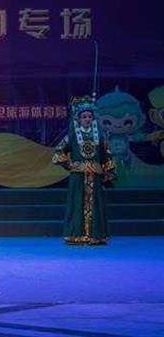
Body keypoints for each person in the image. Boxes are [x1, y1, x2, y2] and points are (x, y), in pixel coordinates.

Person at [52, 95, 116, 245]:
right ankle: (77, 235)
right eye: (84, 117)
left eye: (89, 116)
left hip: (95, 176)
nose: (87, 119)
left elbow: (107, 154)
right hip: (78, 176)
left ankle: (96, 235)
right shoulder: (73, 136)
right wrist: (69, 165)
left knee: (96, 204)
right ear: (79, 119)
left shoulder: (99, 136)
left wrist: (109, 171)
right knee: (77, 203)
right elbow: (58, 151)